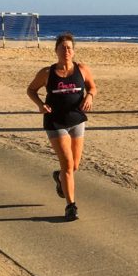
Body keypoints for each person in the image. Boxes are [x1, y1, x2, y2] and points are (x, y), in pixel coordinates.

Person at [27, 32, 97, 221]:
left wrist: (89, 96)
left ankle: (59, 178)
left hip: (77, 121)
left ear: (73, 52)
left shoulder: (81, 69)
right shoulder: (47, 73)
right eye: (62, 48)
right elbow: (31, 90)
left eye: (69, 48)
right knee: (67, 164)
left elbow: (92, 87)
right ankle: (70, 206)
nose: (66, 51)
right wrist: (40, 105)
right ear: (56, 50)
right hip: (55, 122)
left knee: (74, 165)